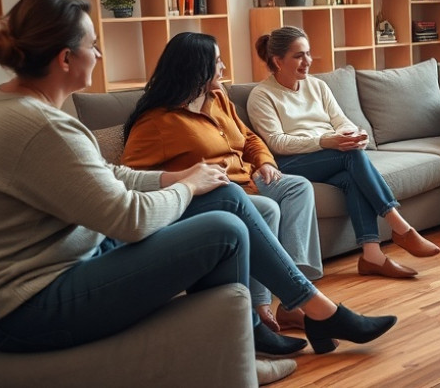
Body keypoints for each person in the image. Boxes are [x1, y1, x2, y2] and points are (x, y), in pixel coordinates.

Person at [0, 0, 395, 367]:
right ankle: (304, 319)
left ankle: (274, 324)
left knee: (225, 197)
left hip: (67, 264)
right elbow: (129, 220)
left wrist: (176, 177)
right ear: (65, 58)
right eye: (93, 45)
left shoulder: (16, 110)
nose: (99, 54)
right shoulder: (45, 127)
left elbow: (108, 173)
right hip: (31, 305)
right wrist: (186, 187)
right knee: (223, 228)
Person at [121, 32, 322, 333]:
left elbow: (249, 138)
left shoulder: (218, 98)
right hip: (214, 194)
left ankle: (293, 300)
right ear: (196, 67)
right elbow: (130, 177)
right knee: (267, 208)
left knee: (298, 186)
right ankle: (261, 305)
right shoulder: (156, 122)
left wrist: (265, 162)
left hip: (249, 179)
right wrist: (181, 182)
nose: (224, 67)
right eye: (217, 61)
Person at [248, 26, 440, 278]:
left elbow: (341, 121)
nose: (307, 61)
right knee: (351, 155)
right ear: (277, 60)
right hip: (291, 162)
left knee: (351, 175)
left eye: (308, 53)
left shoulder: (317, 86)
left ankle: (372, 256)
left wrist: (353, 134)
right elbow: (277, 142)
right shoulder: (261, 96)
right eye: (299, 56)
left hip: (328, 155)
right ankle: (399, 226)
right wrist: (327, 141)